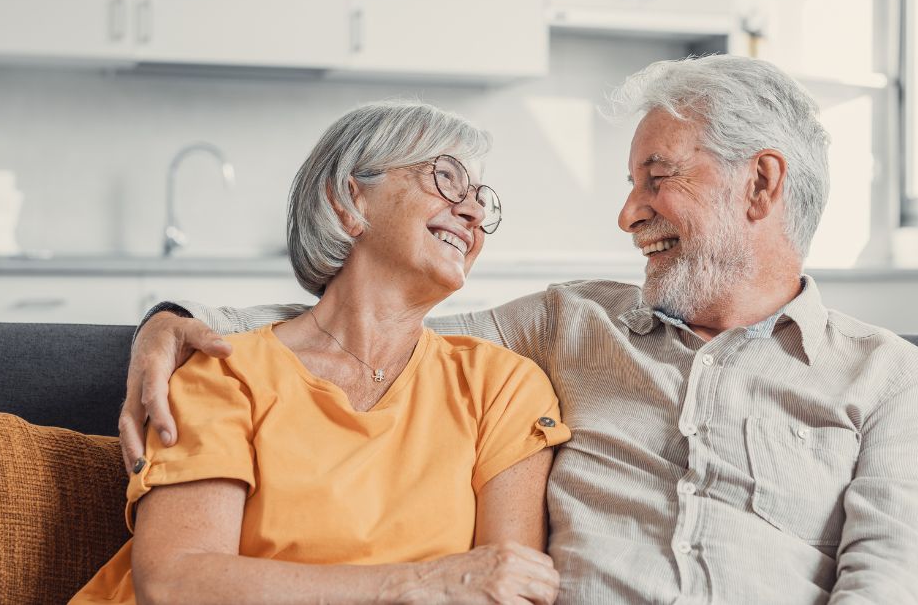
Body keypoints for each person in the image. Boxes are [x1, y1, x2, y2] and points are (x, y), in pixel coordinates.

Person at [123, 55, 918, 604]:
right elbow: (373, 323)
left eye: (656, 178)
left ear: (760, 185)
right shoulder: (568, 325)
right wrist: (180, 323)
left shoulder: (893, 385)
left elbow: (898, 585)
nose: (628, 211)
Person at [72, 101, 570, 604]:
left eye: (482, 198)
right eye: (446, 178)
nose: (474, 211)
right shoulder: (227, 374)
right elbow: (177, 584)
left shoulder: (503, 387)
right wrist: (421, 584)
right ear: (346, 201)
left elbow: (509, 588)